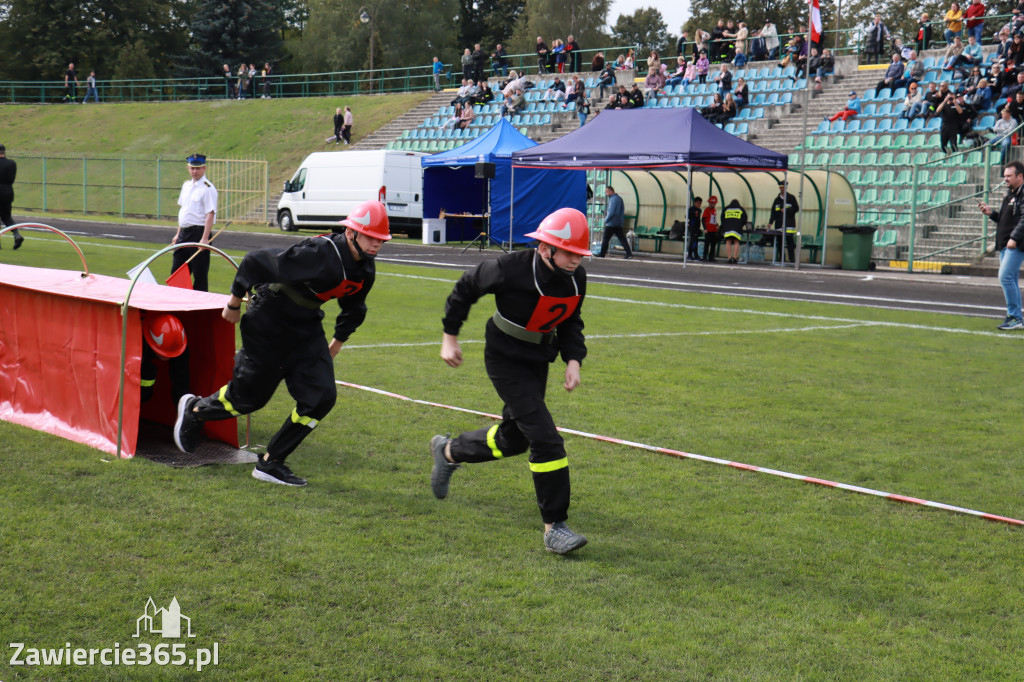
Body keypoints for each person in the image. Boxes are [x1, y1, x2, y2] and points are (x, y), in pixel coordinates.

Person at [173, 200, 391, 485]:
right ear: (351, 233)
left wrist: (335, 344)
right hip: (269, 319)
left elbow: (354, 308)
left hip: (307, 326)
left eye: (380, 239)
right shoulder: (319, 253)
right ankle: (195, 411)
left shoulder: (365, 269)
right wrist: (234, 302)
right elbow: (254, 261)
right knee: (248, 401)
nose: (376, 245)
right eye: (371, 237)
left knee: (321, 398)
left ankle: (271, 461)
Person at [430, 208, 591, 555]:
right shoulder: (509, 268)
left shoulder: (577, 278)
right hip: (504, 358)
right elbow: (466, 288)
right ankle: (554, 528)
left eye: (581, 253)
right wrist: (449, 336)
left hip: (537, 361)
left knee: (516, 437)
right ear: (546, 248)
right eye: (570, 252)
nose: (576, 260)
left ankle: (448, 451)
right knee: (546, 438)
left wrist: (573, 360)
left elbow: (570, 322)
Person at [979, 162, 1024, 330]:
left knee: (1004, 277)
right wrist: (992, 214)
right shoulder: (1010, 194)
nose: (1005, 179)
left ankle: (1014, 317)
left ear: (1020, 176)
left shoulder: (1022, 193)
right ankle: (1015, 318)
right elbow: (1005, 220)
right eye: (1004, 176)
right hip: (1006, 244)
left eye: (1009, 176)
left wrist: (1014, 238)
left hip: (1016, 244)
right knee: (1010, 279)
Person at [171, 153, 217, 292]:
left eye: (198, 168)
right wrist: (177, 234)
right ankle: (176, 302)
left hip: (199, 234)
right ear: (188, 168)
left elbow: (210, 213)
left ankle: (199, 307)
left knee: (199, 275)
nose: (194, 171)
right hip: (183, 234)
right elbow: (184, 211)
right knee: (176, 273)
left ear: (204, 168)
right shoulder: (186, 186)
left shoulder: (208, 188)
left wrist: (204, 239)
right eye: (192, 168)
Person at [139, 313, 191, 409]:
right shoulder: (136, 342)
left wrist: (184, 412)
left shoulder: (178, 343)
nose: (169, 357)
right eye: (165, 354)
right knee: (146, 384)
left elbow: (181, 382)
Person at [0, 144, 23, 250]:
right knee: (7, 216)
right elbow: (12, 179)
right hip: (7, 191)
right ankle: (16, 234)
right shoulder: (11, 163)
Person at [598, 186, 632, 258]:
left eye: (606, 192)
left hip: (611, 223)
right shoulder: (619, 199)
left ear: (610, 191)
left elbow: (611, 212)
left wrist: (606, 220)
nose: (606, 194)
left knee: (605, 239)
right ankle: (629, 253)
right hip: (618, 222)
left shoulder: (613, 199)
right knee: (622, 239)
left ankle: (602, 254)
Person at [770, 181, 799, 263]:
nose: (781, 189)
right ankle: (781, 257)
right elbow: (773, 212)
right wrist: (770, 222)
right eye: (780, 187)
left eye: (783, 187)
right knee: (780, 242)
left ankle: (792, 258)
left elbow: (796, 208)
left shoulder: (791, 198)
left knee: (790, 242)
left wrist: (787, 210)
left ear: (786, 188)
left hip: (789, 224)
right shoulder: (777, 200)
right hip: (779, 224)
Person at [721, 198, 747, 264]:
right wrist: (741, 225)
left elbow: (722, 218)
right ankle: (735, 258)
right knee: (736, 242)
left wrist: (725, 226)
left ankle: (729, 258)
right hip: (737, 228)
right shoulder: (741, 209)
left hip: (727, 227)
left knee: (728, 241)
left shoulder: (726, 208)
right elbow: (745, 219)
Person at [701, 196, 719, 261]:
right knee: (707, 244)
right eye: (712, 203)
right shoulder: (707, 210)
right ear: (710, 203)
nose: (713, 205)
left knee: (713, 244)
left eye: (714, 203)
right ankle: (704, 256)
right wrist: (705, 228)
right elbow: (703, 219)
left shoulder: (714, 210)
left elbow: (714, 220)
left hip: (714, 230)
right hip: (708, 230)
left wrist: (717, 225)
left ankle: (711, 257)